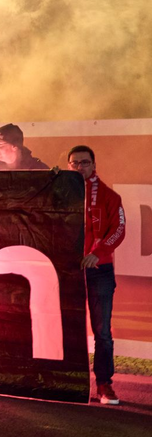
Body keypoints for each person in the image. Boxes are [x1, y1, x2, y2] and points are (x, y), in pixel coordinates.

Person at [67, 146, 126, 405]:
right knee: (64, 327)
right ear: (69, 166)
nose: (80, 167)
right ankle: (64, 382)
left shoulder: (109, 196)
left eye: (84, 162)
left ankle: (104, 384)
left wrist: (98, 253)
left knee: (102, 332)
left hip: (99, 271)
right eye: (75, 163)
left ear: (93, 164)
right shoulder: (58, 194)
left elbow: (119, 229)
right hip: (67, 271)